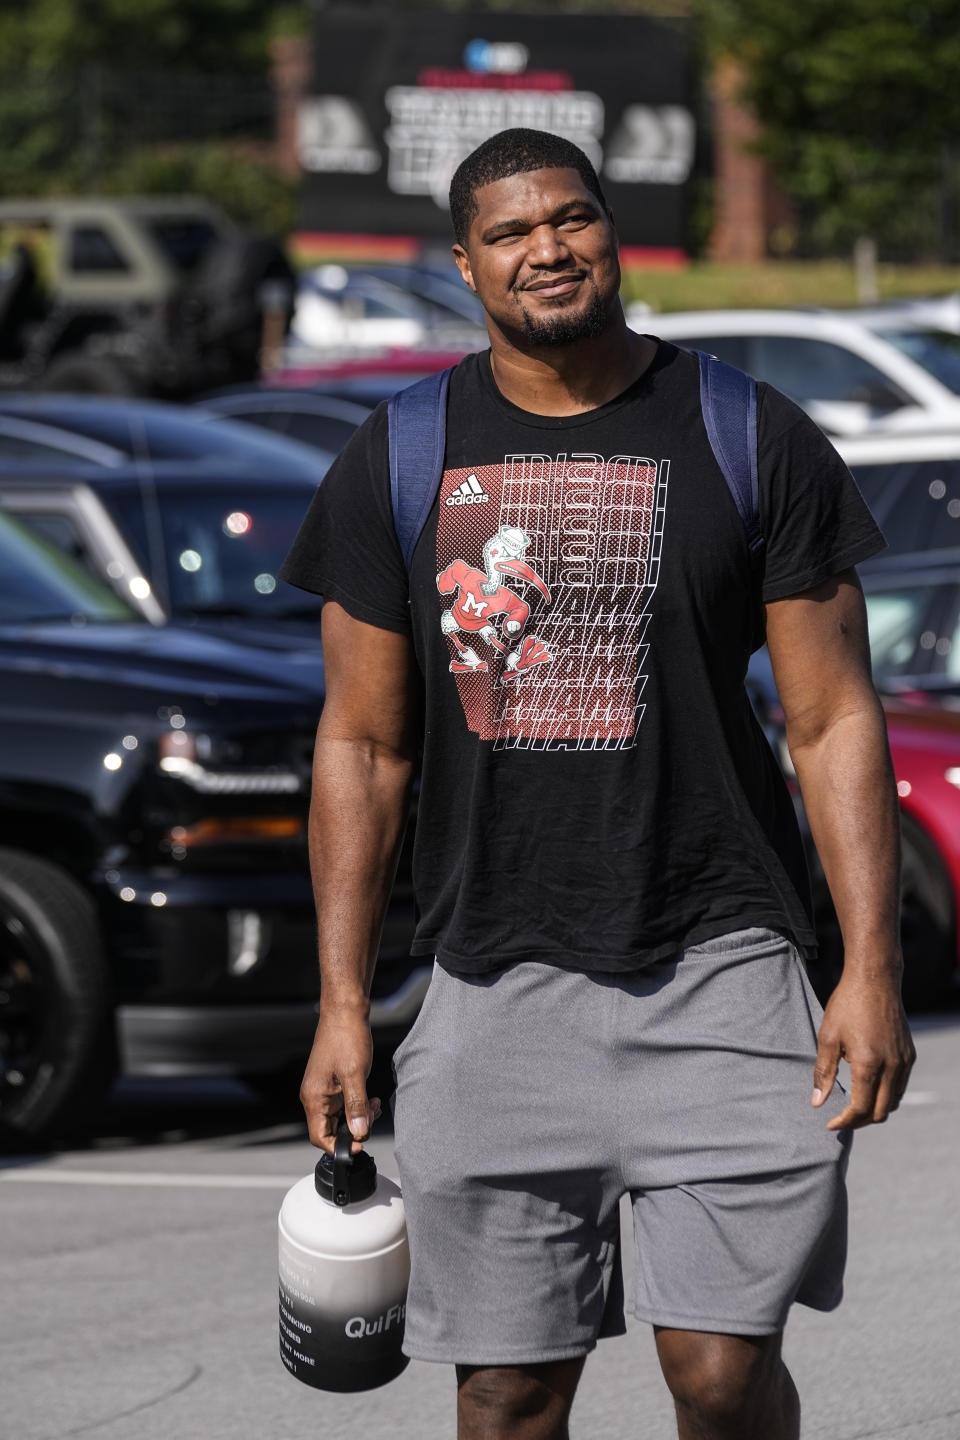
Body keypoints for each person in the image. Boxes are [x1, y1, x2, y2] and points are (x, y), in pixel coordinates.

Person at [279, 128, 915, 1440]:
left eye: (570, 218)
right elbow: (361, 748)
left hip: (723, 968)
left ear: (612, 231)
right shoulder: (398, 457)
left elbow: (834, 718)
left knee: (721, 1374)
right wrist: (344, 1003)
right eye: (510, 233)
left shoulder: (750, 433)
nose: (547, 249)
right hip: (491, 982)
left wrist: (869, 967)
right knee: (509, 1397)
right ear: (464, 265)